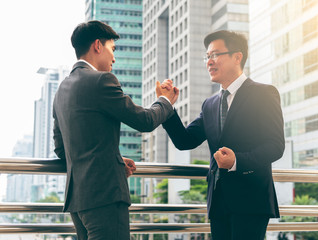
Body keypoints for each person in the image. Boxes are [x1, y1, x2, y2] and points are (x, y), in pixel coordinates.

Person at [53, 20, 178, 240]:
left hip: (77, 202)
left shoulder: (61, 89)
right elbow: (145, 121)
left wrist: (115, 160)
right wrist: (164, 101)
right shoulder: (102, 80)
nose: (114, 57)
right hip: (105, 198)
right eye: (112, 49)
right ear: (97, 46)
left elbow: (62, 150)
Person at [161, 30, 285, 239]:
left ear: (237, 57)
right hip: (218, 202)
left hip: (251, 201)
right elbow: (184, 141)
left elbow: (275, 146)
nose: (209, 62)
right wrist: (166, 106)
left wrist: (237, 161)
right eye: (207, 56)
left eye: (215, 55)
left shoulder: (264, 93)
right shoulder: (210, 104)